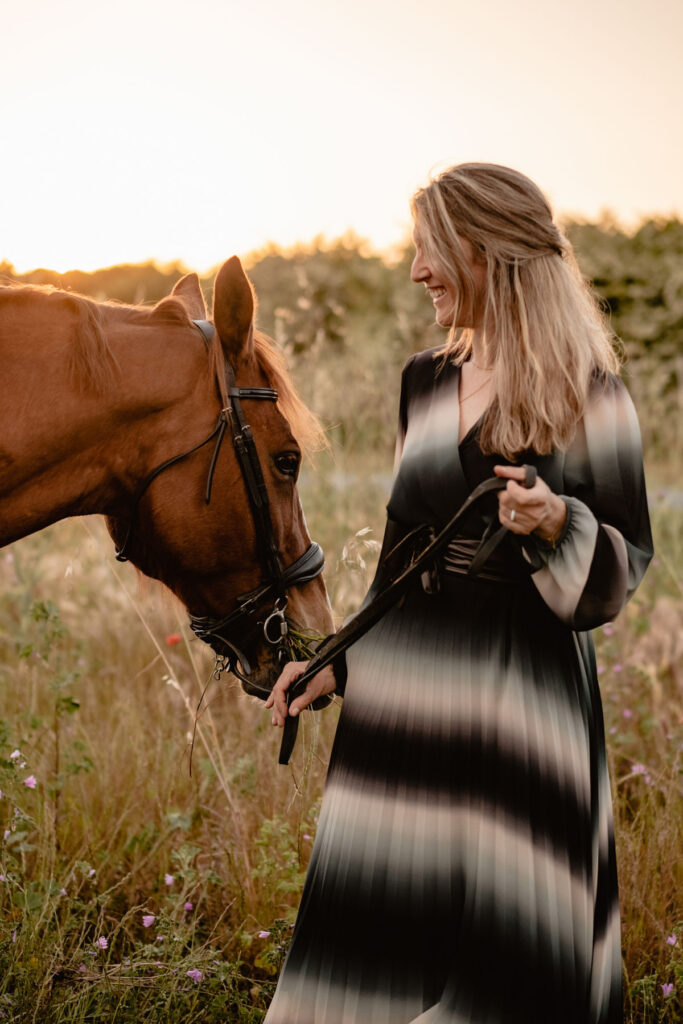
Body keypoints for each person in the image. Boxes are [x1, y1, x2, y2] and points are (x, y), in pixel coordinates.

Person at [264, 162, 653, 1024]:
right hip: (402, 699)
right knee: (382, 936)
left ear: (491, 251)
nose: (415, 271)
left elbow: (622, 571)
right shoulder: (423, 382)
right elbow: (403, 553)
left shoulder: (596, 398)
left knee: (509, 956)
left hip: (520, 702)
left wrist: (557, 523)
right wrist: (337, 663)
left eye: (429, 249)